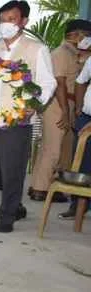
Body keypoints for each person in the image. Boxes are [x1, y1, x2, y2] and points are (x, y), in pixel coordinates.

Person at [0, 0, 57, 233]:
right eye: (2, 19)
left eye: (11, 19)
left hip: (16, 117)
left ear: (23, 21)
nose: (5, 24)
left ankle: (7, 215)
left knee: (12, 169)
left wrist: (35, 105)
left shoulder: (36, 49)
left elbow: (48, 82)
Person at [30, 20, 91, 202]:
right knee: (53, 148)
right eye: (86, 34)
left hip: (68, 104)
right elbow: (60, 84)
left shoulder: (75, 54)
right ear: (75, 34)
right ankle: (40, 189)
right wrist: (65, 111)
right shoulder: (61, 53)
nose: (88, 39)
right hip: (58, 104)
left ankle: (45, 186)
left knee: (63, 149)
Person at [60, 53, 91, 219]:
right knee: (81, 164)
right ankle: (77, 206)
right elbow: (80, 82)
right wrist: (78, 109)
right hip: (85, 117)